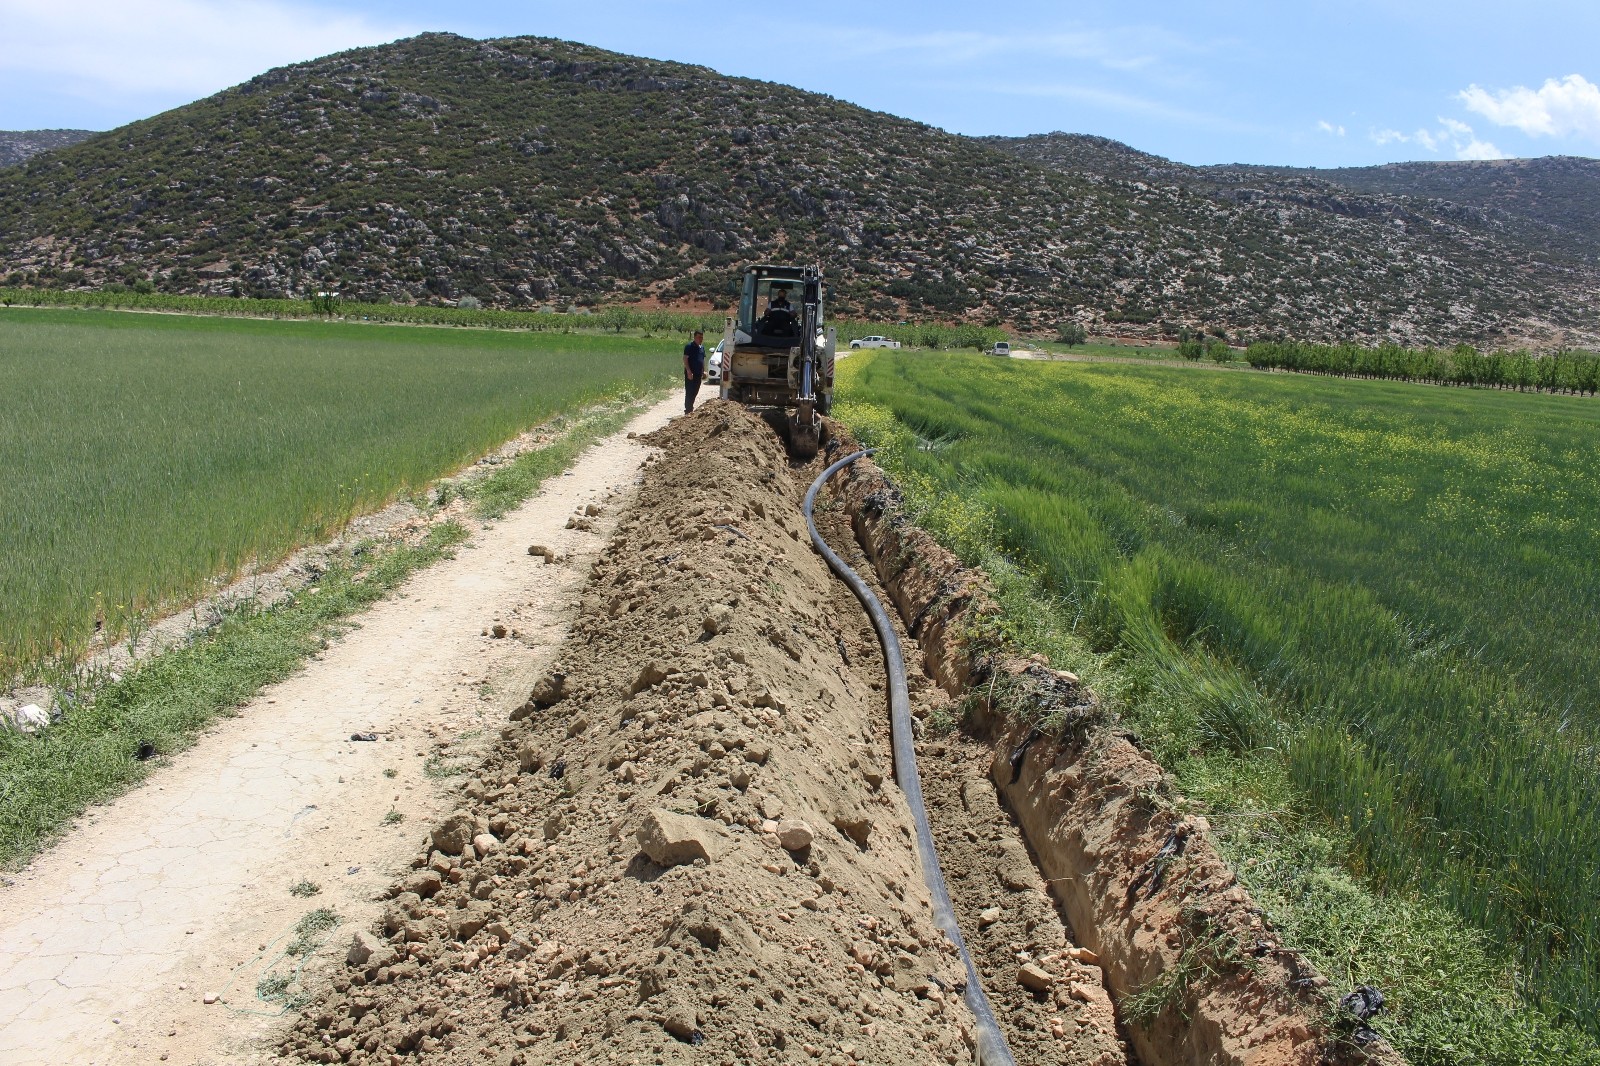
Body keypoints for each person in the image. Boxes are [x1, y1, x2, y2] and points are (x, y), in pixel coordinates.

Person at [682, 329, 706, 414]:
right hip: (690, 374)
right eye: (699, 337)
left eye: (702, 337)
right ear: (695, 337)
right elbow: (685, 359)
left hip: (698, 374)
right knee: (689, 392)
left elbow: (702, 360)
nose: (701, 339)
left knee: (695, 391)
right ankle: (688, 410)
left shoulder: (702, 348)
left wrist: (703, 371)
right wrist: (688, 371)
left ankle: (690, 407)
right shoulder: (689, 346)